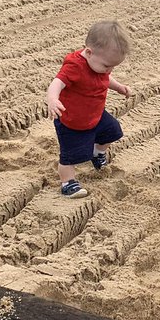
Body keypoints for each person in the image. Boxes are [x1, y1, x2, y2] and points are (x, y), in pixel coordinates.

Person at [46, 20, 132, 198]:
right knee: (70, 155)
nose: (109, 70)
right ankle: (67, 183)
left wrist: (119, 87)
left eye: (113, 67)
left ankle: (97, 153)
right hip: (72, 122)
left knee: (113, 131)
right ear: (89, 52)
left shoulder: (100, 65)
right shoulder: (75, 66)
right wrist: (53, 99)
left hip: (96, 115)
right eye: (107, 66)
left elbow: (105, 78)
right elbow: (57, 83)